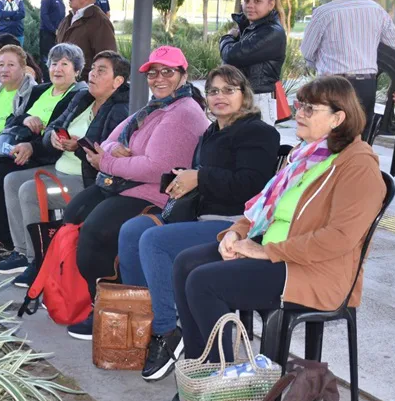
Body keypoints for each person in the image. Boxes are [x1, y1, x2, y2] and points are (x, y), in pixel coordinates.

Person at [169, 76, 385, 401]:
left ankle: (228, 387)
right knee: (186, 263)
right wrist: (236, 234)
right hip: (273, 253)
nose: (298, 113)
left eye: (309, 108)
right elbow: (262, 207)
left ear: (338, 118)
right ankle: (205, 368)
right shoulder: (305, 155)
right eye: (299, 105)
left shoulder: (358, 165)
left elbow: (339, 238)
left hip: (311, 269)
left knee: (204, 281)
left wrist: (266, 251)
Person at [118, 65, 280, 380]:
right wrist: (180, 179)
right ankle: (151, 317)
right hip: (201, 216)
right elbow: (203, 178)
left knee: (154, 241)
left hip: (234, 225)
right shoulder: (211, 132)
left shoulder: (258, 132)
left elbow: (252, 184)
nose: (220, 97)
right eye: (214, 91)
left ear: (244, 95)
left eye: (228, 90)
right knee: (134, 229)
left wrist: (200, 177)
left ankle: (167, 332)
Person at [62, 45, 210, 340]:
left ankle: (114, 313)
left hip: (154, 196)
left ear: (183, 74)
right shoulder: (154, 107)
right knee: (75, 212)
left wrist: (110, 161)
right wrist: (115, 154)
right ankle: (102, 303)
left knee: (96, 230)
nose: (159, 78)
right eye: (153, 73)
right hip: (126, 185)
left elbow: (155, 168)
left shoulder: (183, 112)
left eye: (167, 71)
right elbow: (106, 142)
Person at [3, 50, 131, 286]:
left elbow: (107, 153)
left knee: (31, 191)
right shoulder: (82, 98)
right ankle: (21, 252)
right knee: (11, 180)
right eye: (92, 69)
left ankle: (38, 262)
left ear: (118, 81)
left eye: (101, 71)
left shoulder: (121, 111)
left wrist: (77, 147)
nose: (92, 74)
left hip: (87, 180)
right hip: (60, 167)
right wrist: (52, 137)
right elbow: (54, 126)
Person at [0, 44, 86, 267]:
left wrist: (32, 144)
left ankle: (6, 240)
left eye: (64, 64)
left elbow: (59, 132)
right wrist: (26, 120)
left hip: (44, 155)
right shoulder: (41, 91)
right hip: (17, 148)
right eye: (54, 63)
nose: (57, 68)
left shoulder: (78, 95)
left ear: (77, 70)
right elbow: (13, 120)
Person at [301, 0, 395, 137]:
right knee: (357, 142)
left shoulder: (325, 12)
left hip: (332, 86)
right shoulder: (376, 10)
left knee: (329, 140)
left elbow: (307, 51)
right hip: (366, 86)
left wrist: (316, 65)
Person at [219, 0, 287, 126]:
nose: (250, 5)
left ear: (271, 4)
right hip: (243, 97)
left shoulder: (271, 32)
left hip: (258, 101)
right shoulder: (251, 28)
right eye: (247, 0)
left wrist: (227, 37)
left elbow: (231, 56)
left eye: (257, 1)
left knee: (255, 146)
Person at [56, 0, 118, 81]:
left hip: (83, 90)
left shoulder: (100, 22)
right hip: (65, 87)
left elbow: (107, 62)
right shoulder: (67, 20)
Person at [40, 0, 66, 74]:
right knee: (47, 59)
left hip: (57, 35)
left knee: (57, 57)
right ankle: (47, 81)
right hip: (47, 34)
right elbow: (44, 15)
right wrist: (53, 30)